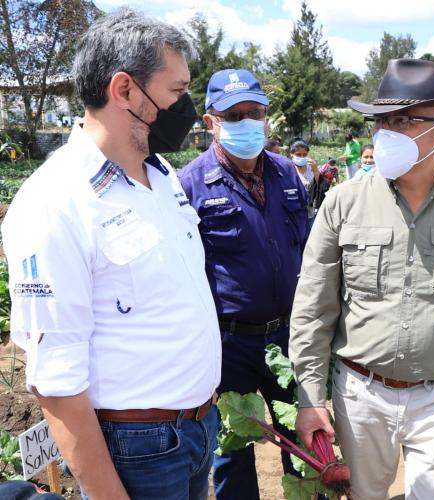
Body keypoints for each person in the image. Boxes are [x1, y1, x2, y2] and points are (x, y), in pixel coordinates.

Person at [1, 10, 220, 499]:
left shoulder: (160, 174)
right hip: (139, 448)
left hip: (197, 429)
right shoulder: (56, 202)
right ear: (124, 90)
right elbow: (57, 383)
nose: (185, 108)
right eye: (177, 91)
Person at [289, 58, 434, 499]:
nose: (387, 133)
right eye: (382, 121)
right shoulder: (343, 202)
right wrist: (311, 396)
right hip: (361, 394)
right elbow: (314, 306)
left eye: (405, 121)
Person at [177, 68, 309, 500]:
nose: (247, 122)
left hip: (287, 336)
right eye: (234, 115)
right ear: (211, 122)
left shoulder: (287, 173)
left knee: (304, 435)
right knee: (232, 446)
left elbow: (306, 246)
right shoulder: (190, 184)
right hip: (227, 343)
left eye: (255, 112)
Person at [290, 139, 319, 221]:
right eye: (298, 154)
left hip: (309, 209)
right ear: (291, 154)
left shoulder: (311, 167)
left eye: (305, 154)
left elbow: (320, 185)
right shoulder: (288, 168)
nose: (302, 157)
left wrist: (315, 170)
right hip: (294, 210)